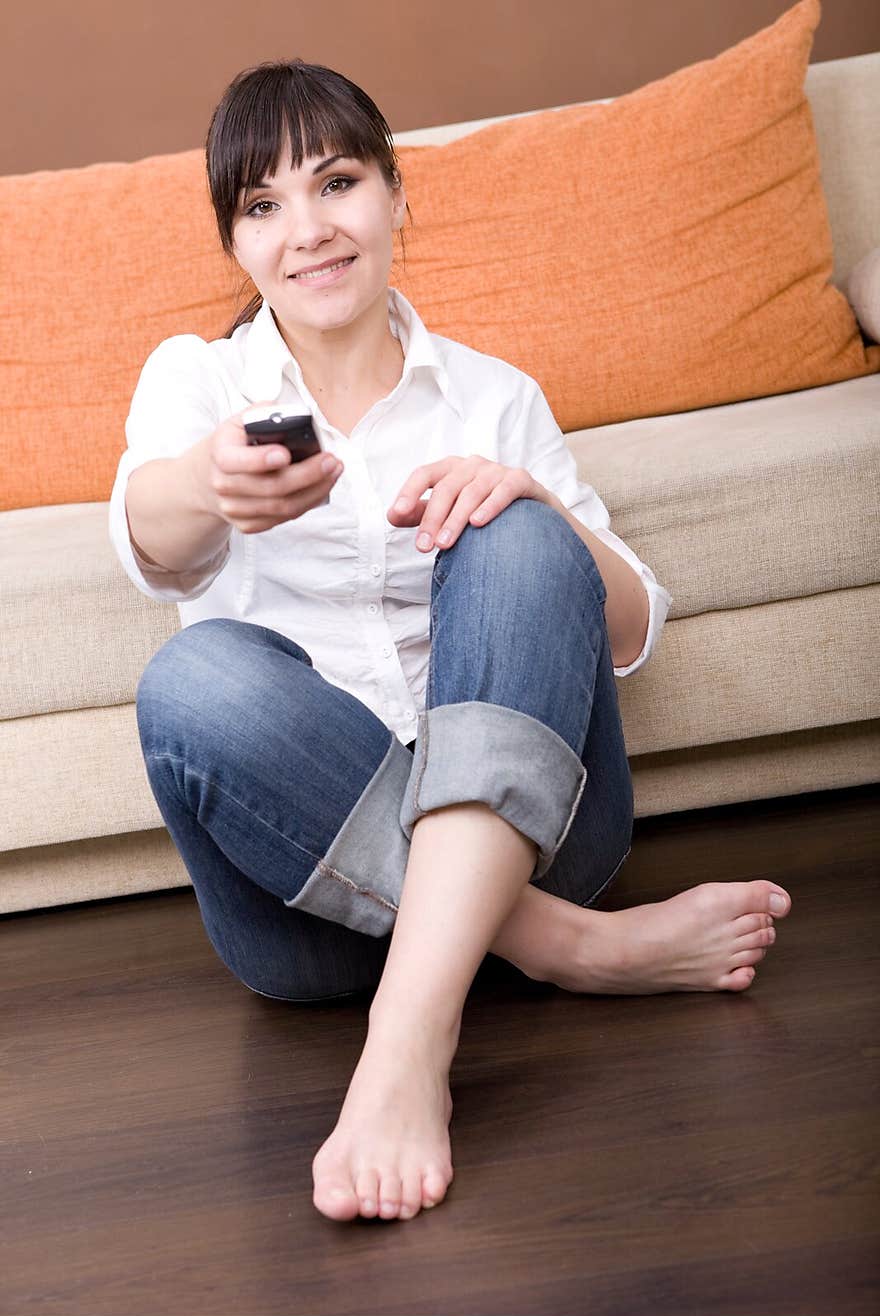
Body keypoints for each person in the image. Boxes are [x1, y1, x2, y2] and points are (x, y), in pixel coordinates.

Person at [109, 59, 793, 1225]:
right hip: (308, 919)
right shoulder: (198, 383)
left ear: (395, 195)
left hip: (544, 839)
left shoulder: (493, 394)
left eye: (337, 183)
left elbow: (632, 631)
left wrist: (533, 503)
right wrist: (206, 487)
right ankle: (568, 950)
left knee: (524, 533)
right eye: (264, 206)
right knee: (190, 679)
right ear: (234, 242)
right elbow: (144, 537)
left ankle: (409, 1039)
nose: (309, 230)